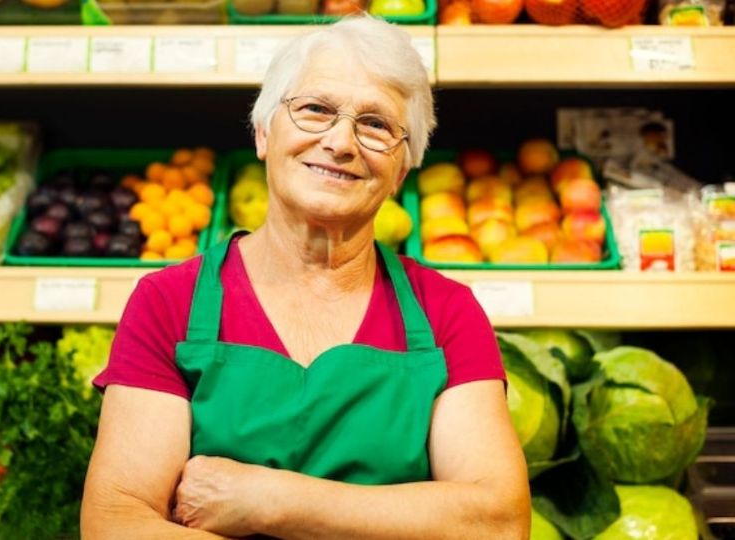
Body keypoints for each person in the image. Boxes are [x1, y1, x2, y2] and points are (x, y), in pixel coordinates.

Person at [81, 15, 530, 539]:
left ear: (401, 172)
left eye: (377, 125)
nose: (341, 142)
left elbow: (496, 524)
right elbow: (116, 523)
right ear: (264, 133)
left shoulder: (446, 312)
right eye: (316, 109)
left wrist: (272, 500)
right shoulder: (169, 303)